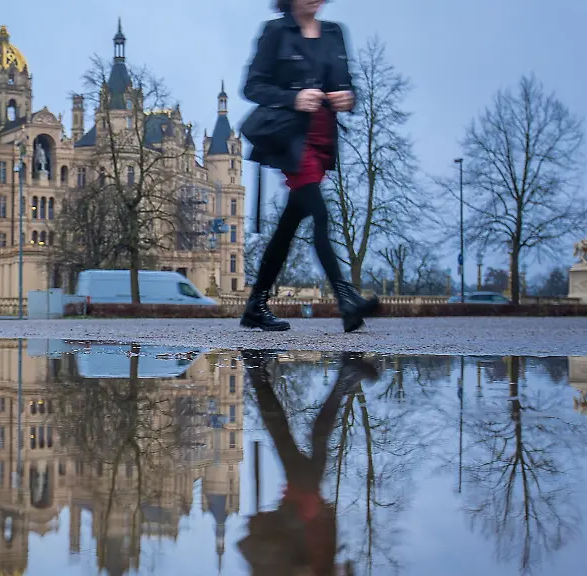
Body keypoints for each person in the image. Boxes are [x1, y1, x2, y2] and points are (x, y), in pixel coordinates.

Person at [241, 0, 379, 333]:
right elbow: (253, 87)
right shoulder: (275, 32)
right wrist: (294, 98)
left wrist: (349, 96)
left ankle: (255, 305)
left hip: (322, 140)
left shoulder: (334, 33)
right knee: (320, 214)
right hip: (291, 140)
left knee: (288, 227)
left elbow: (344, 84)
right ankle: (346, 300)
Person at [239, 349, 378, 575]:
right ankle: (256, 368)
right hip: (303, 507)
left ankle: (344, 375)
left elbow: (289, 559)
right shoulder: (323, 566)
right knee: (287, 436)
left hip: (300, 508)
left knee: (299, 438)